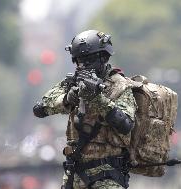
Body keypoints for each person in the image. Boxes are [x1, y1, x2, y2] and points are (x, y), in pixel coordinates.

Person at [33, 30, 137, 189]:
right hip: (74, 174)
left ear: (104, 58)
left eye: (89, 60)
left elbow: (125, 125)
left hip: (107, 175)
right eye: (79, 61)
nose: (83, 65)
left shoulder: (119, 86)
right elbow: (40, 109)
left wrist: (97, 99)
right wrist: (67, 99)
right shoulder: (73, 81)